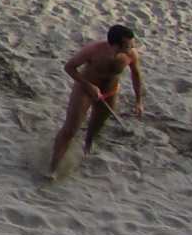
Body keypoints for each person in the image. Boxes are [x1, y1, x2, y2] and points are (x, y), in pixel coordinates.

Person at [48, 25, 145, 179]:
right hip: (85, 90)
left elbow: (136, 75)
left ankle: (87, 148)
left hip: (110, 92)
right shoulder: (93, 50)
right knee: (70, 129)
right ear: (115, 45)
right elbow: (69, 67)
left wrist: (138, 101)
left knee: (96, 127)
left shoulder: (131, 54)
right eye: (128, 45)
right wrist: (88, 85)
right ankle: (53, 168)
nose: (132, 48)